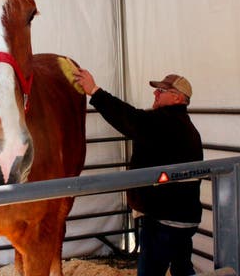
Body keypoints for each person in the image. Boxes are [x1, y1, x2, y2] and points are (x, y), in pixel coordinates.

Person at [73, 70, 203, 276]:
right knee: (182, 268)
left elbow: (130, 119)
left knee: (150, 271)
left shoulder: (167, 123)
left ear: (178, 97)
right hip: (184, 217)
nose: (155, 94)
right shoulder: (184, 126)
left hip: (164, 218)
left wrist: (95, 92)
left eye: (161, 90)